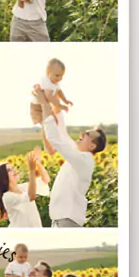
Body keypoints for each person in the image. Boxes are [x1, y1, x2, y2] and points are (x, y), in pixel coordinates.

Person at [34, 87, 106, 228]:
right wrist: (55, 105)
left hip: (67, 219)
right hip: (61, 218)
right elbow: (61, 132)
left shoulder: (84, 160)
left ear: (92, 146)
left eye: (88, 134)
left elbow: (55, 139)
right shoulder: (79, 156)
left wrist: (44, 103)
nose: (83, 133)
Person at [0, 152, 51, 228]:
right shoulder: (7, 197)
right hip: (20, 235)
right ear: (3, 178)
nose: (14, 170)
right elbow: (31, 196)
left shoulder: (22, 187)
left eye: (13, 168)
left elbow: (45, 180)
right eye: (9, 170)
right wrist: (32, 170)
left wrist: (38, 163)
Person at [31, 58, 73, 123]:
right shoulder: (46, 81)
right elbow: (49, 97)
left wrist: (65, 100)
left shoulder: (54, 82)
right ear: (48, 73)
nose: (59, 78)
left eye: (61, 76)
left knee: (53, 122)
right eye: (57, 75)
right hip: (37, 107)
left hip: (45, 106)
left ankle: (49, 129)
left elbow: (59, 91)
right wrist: (61, 106)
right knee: (47, 122)